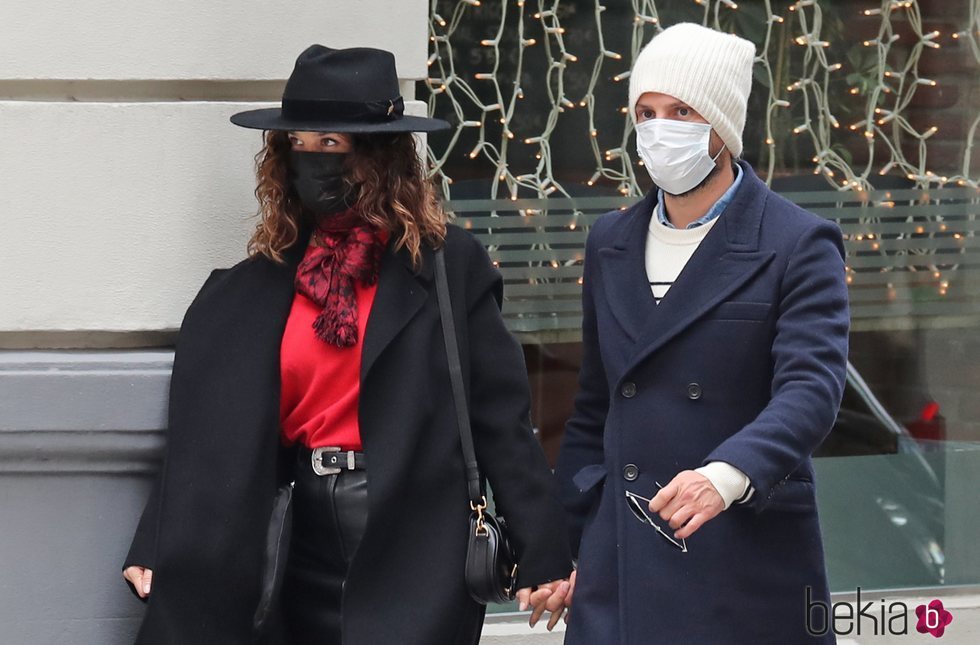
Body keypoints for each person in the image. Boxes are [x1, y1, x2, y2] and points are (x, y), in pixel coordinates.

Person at [121, 45, 572, 645]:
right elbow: (204, 432)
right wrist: (158, 540)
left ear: (380, 157)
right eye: (300, 144)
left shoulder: (444, 269)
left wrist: (542, 547)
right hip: (289, 539)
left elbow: (499, 417)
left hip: (413, 539)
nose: (313, 161)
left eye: (331, 144)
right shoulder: (252, 288)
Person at [546, 23, 850, 643]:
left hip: (739, 552)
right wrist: (562, 545)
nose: (660, 129)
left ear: (722, 126)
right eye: (647, 112)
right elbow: (594, 410)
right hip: (623, 561)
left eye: (681, 111)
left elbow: (811, 389)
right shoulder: (611, 241)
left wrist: (728, 473)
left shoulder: (796, 242)